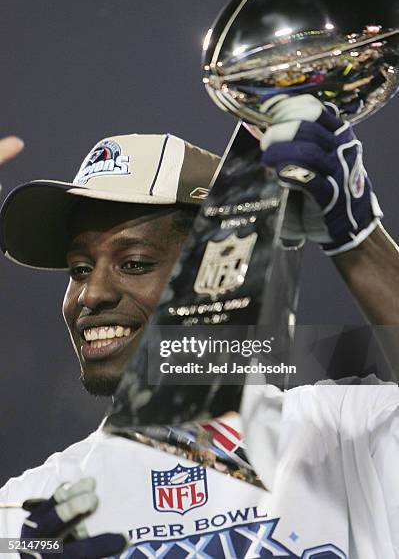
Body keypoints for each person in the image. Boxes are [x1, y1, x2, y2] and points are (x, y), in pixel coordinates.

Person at [0, 95, 398, 558]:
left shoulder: (341, 436)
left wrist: (358, 237)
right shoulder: (34, 512)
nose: (91, 296)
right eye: (80, 269)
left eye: (134, 263)